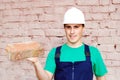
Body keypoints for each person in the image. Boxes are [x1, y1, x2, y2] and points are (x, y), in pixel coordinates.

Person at [27, 7, 108, 80]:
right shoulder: (55, 53)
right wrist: (36, 62)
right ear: (64, 28)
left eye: (76, 27)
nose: (72, 31)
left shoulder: (93, 52)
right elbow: (46, 78)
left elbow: (101, 78)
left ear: (83, 28)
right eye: (68, 27)